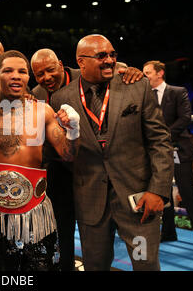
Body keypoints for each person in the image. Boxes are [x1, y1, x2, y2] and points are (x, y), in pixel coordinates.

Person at [51, 34, 174, 271]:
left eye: (112, 54)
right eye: (101, 56)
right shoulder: (61, 98)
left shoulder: (137, 86)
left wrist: (158, 190)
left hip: (138, 199)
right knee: (95, 266)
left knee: (145, 264)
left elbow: (160, 141)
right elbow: (63, 152)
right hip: (90, 200)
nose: (109, 60)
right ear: (81, 62)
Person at [29, 48, 144, 271]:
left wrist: (131, 71)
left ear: (61, 65)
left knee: (105, 230)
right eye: (39, 74)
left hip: (97, 168)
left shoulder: (87, 74)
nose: (46, 78)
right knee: (62, 227)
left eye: (50, 70)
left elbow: (115, 70)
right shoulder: (37, 95)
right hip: (61, 169)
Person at [0, 50, 80, 271]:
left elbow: (68, 154)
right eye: (8, 71)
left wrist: (73, 130)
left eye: (22, 71)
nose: (16, 76)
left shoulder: (43, 112)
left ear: (27, 78)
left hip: (36, 211)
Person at [143, 60, 193, 259]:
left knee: (188, 195)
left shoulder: (177, 92)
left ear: (160, 73)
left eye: (147, 72)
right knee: (160, 192)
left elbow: (184, 118)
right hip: (154, 153)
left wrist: (161, 137)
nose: (144, 76)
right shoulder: (144, 95)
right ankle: (168, 232)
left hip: (176, 149)